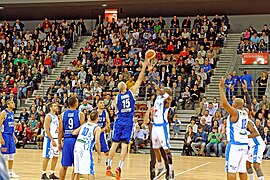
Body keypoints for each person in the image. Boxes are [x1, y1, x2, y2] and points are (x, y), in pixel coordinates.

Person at [106, 60, 148, 180]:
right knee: (124, 145)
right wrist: (143, 67)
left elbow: (115, 110)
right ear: (125, 86)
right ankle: (119, 167)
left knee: (114, 144)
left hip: (119, 121)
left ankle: (108, 165)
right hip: (128, 122)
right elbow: (139, 80)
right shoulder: (131, 92)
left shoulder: (116, 98)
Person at [219, 77, 258, 180]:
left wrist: (220, 88)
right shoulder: (245, 113)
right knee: (242, 170)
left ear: (235, 105)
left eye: (233, 103)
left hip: (235, 144)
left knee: (231, 170)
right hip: (244, 145)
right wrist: (245, 92)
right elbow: (249, 104)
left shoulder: (235, 113)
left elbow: (224, 103)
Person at [151, 84, 174, 180]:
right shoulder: (158, 98)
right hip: (155, 126)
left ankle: (171, 170)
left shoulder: (167, 101)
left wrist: (159, 89)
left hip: (162, 126)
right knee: (155, 147)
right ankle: (160, 167)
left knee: (166, 149)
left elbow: (168, 97)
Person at [58, 96, 85, 180]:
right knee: (77, 166)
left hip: (66, 140)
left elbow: (60, 130)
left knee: (64, 165)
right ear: (75, 103)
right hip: (76, 141)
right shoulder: (80, 114)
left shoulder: (62, 114)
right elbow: (82, 129)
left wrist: (59, 142)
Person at [144, 101, 169, 180]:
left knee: (165, 158)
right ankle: (152, 176)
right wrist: (149, 109)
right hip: (153, 143)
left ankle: (168, 174)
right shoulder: (150, 123)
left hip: (162, 141)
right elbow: (145, 120)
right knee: (153, 160)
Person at [73, 111, 102, 180]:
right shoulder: (97, 128)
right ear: (97, 118)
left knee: (77, 171)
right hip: (85, 149)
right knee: (90, 171)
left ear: (89, 117)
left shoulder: (84, 125)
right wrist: (99, 154)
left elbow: (74, 132)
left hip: (77, 147)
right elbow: (97, 142)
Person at [0, 100, 20, 178]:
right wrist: (1, 137)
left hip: (10, 135)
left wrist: (14, 136)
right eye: (12, 103)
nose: (14, 104)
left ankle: (10, 171)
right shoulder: (3, 113)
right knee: (4, 155)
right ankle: (2, 171)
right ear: (8, 105)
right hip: (4, 135)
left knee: (11, 154)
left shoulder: (12, 113)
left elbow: (10, 126)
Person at [41, 102, 60, 180]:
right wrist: (52, 140)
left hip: (56, 138)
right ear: (50, 108)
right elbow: (47, 129)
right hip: (50, 139)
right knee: (47, 157)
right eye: (54, 106)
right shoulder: (48, 116)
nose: (56, 107)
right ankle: (43, 174)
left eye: (56, 106)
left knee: (56, 156)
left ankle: (52, 173)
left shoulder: (56, 116)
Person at [96, 99, 110, 167]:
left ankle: (108, 166)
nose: (102, 104)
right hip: (94, 134)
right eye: (101, 103)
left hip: (101, 133)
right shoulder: (94, 113)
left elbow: (108, 123)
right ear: (97, 104)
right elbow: (89, 123)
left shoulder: (105, 113)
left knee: (106, 151)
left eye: (103, 103)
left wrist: (104, 129)